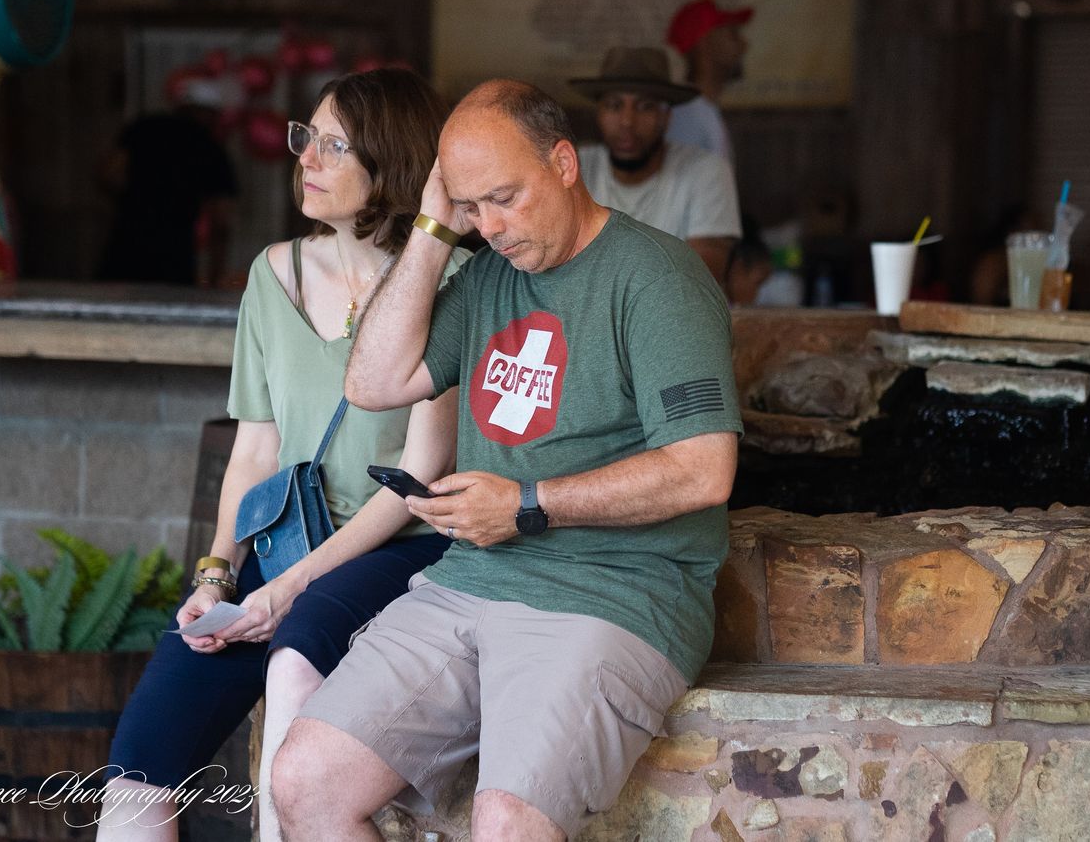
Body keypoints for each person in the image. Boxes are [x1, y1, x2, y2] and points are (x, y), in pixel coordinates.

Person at [271, 79, 742, 841]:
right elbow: (372, 382)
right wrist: (433, 229)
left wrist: (527, 503)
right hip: (471, 580)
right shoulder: (490, 274)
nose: (489, 227)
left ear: (565, 164)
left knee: (507, 822)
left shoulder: (659, 278)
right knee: (304, 779)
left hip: (615, 593)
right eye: (471, 206)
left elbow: (704, 468)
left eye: (504, 198)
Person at [98, 68, 469, 842]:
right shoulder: (272, 274)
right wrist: (217, 575)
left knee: (293, 656)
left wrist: (285, 590)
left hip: (403, 543)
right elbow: (255, 449)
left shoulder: (451, 278)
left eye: (333, 145)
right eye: (307, 137)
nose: (305, 157)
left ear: (390, 163)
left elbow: (420, 476)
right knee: (139, 758)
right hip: (285, 543)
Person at [571, 46, 741, 284]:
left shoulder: (705, 171)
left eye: (645, 107)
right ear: (599, 113)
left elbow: (700, 278)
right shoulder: (573, 168)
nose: (627, 121)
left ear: (666, 117)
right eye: (614, 105)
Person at [97, 105, 238, 286]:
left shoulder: (145, 128)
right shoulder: (210, 147)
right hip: (174, 257)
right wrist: (215, 278)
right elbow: (220, 222)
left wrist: (131, 200)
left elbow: (108, 174)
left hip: (127, 243)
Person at [665, 0, 751, 164]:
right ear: (704, 44)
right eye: (733, 35)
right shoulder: (687, 117)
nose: (744, 45)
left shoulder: (700, 110)